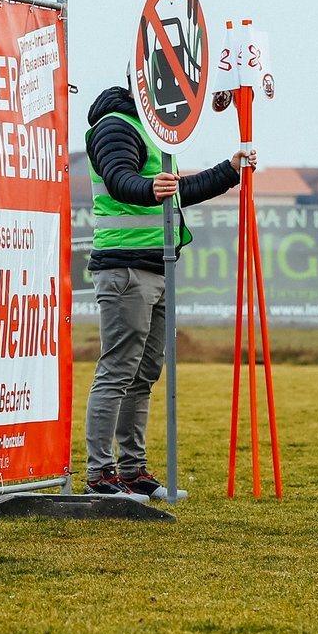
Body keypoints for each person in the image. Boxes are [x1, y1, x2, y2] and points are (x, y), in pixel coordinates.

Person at [83, 76, 249, 497]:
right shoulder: (116, 125)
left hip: (157, 268)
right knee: (118, 370)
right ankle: (100, 475)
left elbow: (175, 193)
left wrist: (229, 171)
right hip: (125, 270)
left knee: (143, 374)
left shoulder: (154, 134)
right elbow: (121, 179)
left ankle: (132, 471)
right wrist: (149, 188)